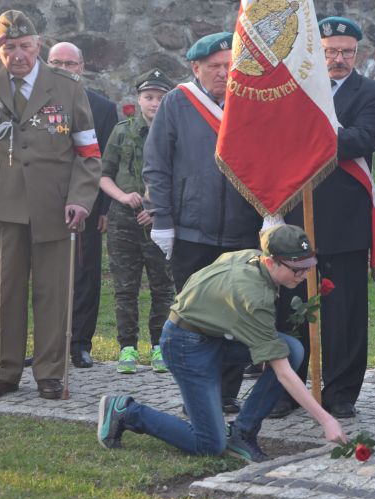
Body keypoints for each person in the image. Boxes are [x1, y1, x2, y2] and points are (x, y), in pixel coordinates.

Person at [97, 224, 347, 460]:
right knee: (209, 444)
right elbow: (282, 373)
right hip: (185, 345)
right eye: (297, 269)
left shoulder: (253, 257)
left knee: (292, 349)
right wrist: (326, 420)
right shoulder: (254, 296)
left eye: (308, 265)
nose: (304, 275)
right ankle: (126, 411)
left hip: (213, 336)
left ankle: (242, 433)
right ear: (271, 261)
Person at [0, 10, 101, 400]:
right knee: (6, 289)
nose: (18, 55)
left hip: (55, 202)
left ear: (39, 45)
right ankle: (4, 371)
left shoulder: (66, 85)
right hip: (2, 200)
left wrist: (81, 200)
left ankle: (51, 372)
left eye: (25, 46)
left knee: (53, 290)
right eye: (9, 47)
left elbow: (87, 150)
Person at [271, 16, 375, 419]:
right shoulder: (292, 90)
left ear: (357, 53)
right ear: (316, 54)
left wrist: (311, 135)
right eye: (331, 52)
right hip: (295, 219)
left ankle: (341, 392)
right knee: (291, 309)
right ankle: (288, 390)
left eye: (347, 52)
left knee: (345, 313)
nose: (339, 59)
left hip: (346, 221)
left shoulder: (372, 92)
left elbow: (363, 139)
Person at [144, 32, 262, 414]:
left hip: (243, 230)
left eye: (229, 66)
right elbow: (157, 164)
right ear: (196, 68)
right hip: (192, 230)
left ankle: (226, 392)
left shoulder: (249, 101)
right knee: (195, 319)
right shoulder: (177, 102)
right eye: (214, 67)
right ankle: (197, 393)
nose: (223, 73)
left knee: (237, 317)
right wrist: (163, 218)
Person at [44, 42, 118, 369]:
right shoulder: (36, 103)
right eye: (56, 62)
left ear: (82, 67)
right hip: (44, 201)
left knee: (85, 273)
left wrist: (103, 208)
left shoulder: (103, 107)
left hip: (86, 203)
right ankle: (49, 343)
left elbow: (104, 162)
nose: (63, 68)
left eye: (70, 63)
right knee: (47, 275)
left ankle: (80, 343)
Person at [99, 69, 176, 374]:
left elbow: (180, 179)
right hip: (123, 221)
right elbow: (103, 175)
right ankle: (127, 347)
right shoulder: (122, 131)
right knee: (125, 288)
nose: (154, 103)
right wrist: (122, 196)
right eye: (148, 97)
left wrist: (156, 208)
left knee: (163, 287)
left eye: (160, 98)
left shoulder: (175, 132)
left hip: (160, 222)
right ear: (138, 99)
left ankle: (159, 346)